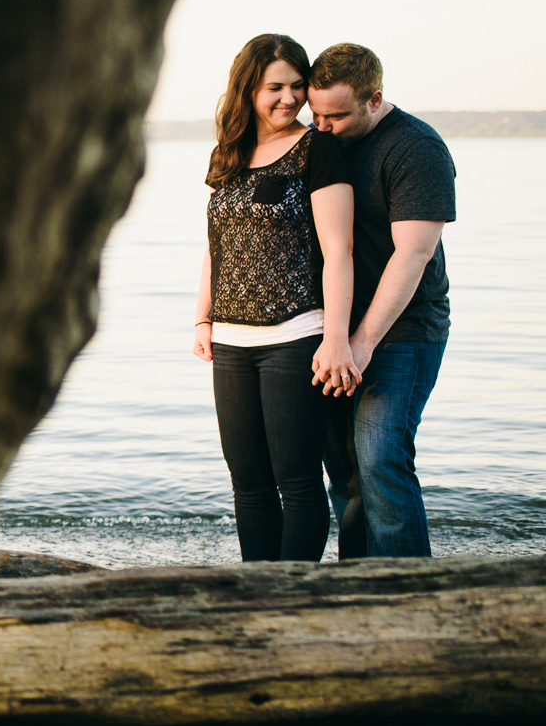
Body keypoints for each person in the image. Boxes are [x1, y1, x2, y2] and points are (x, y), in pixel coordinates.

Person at [192, 34, 355, 562]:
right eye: (275, 87)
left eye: (297, 86)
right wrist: (202, 320)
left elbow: (339, 252)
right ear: (249, 89)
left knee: (298, 481)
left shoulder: (318, 150)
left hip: (296, 336)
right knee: (248, 482)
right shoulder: (229, 154)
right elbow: (217, 246)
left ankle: (294, 597)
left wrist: (336, 338)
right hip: (231, 341)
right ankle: (256, 593)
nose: (289, 98)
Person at [308, 43, 455, 558]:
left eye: (337, 116)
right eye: (316, 114)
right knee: (346, 470)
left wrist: (362, 342)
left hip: (403, 333)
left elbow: (413, 256)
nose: (322, 126)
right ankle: (359, 584)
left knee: (381, 458)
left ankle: (409, 590)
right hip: (334, 332)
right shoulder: (324, 141)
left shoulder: (416, 149)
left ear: (374, 99)